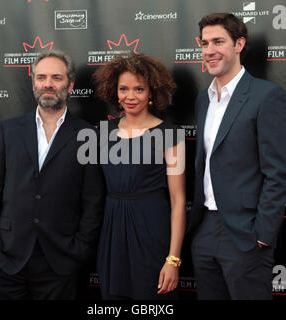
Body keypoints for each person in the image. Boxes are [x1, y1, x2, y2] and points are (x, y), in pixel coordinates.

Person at [0, 51, 105, 300]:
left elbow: (93, 200)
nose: (48, 84)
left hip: (59, 263)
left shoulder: (87, 135)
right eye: (41, 77)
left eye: (56, 77)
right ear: (33, 82)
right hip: (5, 259)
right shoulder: (8, 130)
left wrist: (80, 249)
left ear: (70, 84)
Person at [188, 13, 286, 300]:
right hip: (204, 228)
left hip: (245, 233)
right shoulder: (203, 99)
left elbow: (277, 173)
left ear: (239, 44)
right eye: (205, 43)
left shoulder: (266, 96)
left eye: (218, 41)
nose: (209, 50)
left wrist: (261, 234)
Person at [92, 53, 186, 299]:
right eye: (124, 88)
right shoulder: (101, 133)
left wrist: (173, 259)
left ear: (152, 92)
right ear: (115, 91)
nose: (130, 96)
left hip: (152, 229)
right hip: (111, 233)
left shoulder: (170, 136)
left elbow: (178, 201)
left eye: (139, 89)